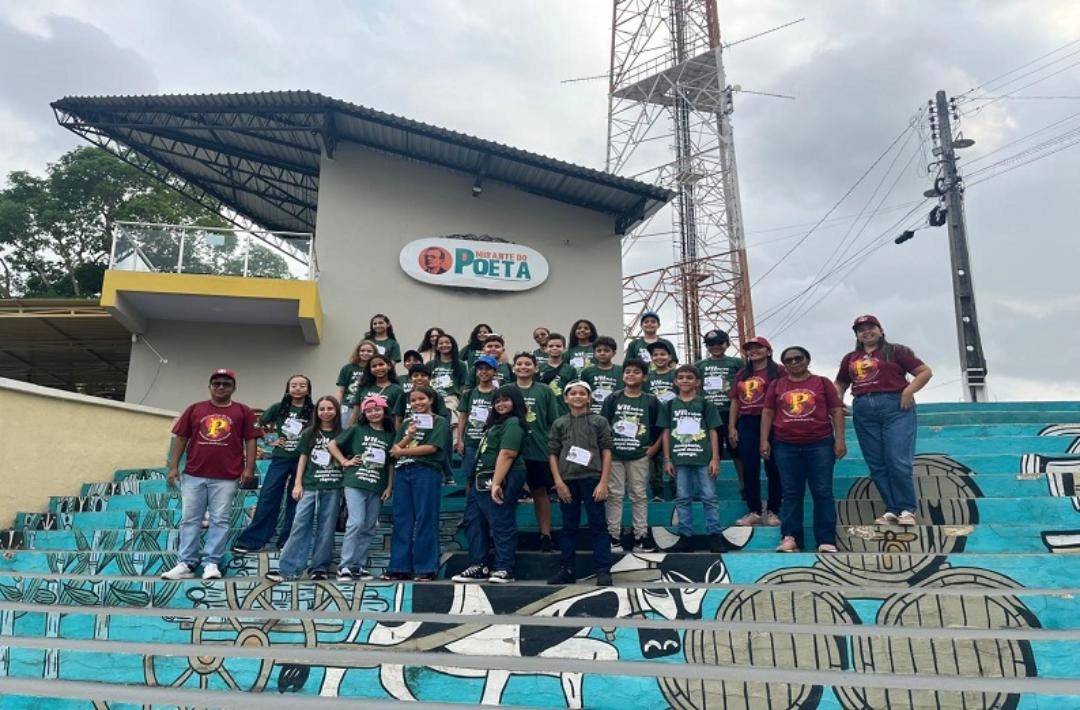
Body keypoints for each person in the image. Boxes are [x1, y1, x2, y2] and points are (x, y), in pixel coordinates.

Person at [835, 314, 932, 526]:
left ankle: (907, 509)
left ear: (880, 330)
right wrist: (837, 402)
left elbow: (924, 372)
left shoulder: (896, 351)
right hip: (863, 408)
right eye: (861, 329)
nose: (867, 332)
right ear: (857, 335)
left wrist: (908, 391)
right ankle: (891, 509)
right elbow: (841, 383)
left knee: (897, 458)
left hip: (895, 406)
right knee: (877, 462)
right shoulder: (850, 358)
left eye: (871, 327)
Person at [162, 369, 258, 581]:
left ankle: (211, 563)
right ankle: (185, 563)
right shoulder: (195, 409)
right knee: (189, 519)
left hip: (227, 476)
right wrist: (173, 466)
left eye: (226, 383)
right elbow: (181, 438)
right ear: (209, 386)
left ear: (234, 388)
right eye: (216, 383)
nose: (221, 387)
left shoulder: (243, 411)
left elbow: (251, 440)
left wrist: (249, 468)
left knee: (220, 520)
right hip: (194, 474)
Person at [762, 347, 847, 553]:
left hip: (819, 443)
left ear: (808, 360)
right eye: (788, 360)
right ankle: (790, 537)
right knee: (791, 492)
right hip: (785, 444)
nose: (793, 362)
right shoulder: (777, 384)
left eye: (798, 358)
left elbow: (836, 411)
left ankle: (826, 540)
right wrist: (764, 440)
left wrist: (840, 440)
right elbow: (768, 412)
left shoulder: (822, 382)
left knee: (822, 491)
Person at [452, 385, 529, 583]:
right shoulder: (494, 424)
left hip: (503, 476)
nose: (500, 404)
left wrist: (496, 483)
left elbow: (508, 453)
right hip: (481, 478)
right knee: (474, 520)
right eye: (497, 401)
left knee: (501, 521)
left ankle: (504, 568)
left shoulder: (513, 423)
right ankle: (479, 565)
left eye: (505, 400)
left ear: (516, 402)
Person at [232, 374, 313, 556]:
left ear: (308, 389)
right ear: (288, 388)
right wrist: (269, 440)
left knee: (296, 500)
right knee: (268, 496)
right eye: (294, 385)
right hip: (280, 459)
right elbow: (256, 424)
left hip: (304, 460)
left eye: (302, 385)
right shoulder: (279, 408)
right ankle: (253, 540)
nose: (298, 388)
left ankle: (288, 541)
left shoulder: (314, 410)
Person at [265, 395, 344, 582]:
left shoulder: (344, 433)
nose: (326, 412)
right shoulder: (310, 432)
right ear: (317, 412)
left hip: (333, 486)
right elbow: (303, 458)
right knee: (300, 524)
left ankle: (319, 568)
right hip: (310, 485)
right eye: (322, 409)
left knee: (326, 528)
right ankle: (288, 570)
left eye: (330, 408)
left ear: (337, 411)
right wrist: (298, 483)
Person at [547, 381, 614, 586]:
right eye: (573, 393)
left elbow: (607, 451)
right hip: (568, 481)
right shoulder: (559, 423)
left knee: (598, 525)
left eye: (582, 393)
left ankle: (603, 570)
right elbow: (552, 453)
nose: (577, 396)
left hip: (592, 479)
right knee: (569, 527)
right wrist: (558, 482)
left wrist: (603, 482)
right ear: (566, 398)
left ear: (589, 397)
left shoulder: (599, 421)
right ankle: (567, 569)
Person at [382, 385, 451, 581]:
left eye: (422, 399)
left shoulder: (439, 422)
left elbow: (432, 448)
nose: (417, 403)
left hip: (426, 471)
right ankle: (398, 567)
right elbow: (394, 450)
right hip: (403, 471)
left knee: (425, 518)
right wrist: (408, 437)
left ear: (430, 400)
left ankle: (425, 567)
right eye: (413, 400)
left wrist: (402, 451)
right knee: (402, 519)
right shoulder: (406, 423)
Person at [330, 393, 396, 581]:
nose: (374, 413)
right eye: (369, 410)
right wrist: (344, 461)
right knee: (356, 522)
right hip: (355, 482)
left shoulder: (390, 435)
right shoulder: (357, 429)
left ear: (385, 411)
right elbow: (332, 444)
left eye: (377, 409)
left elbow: (390, 463)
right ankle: (344, 566)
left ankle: (358, 566)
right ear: (364, 413)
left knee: (369, 526)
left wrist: (389, 485)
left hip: (377, 485)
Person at [660, 365, 724, 553]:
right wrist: (667, 458)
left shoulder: (705, 404)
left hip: (703, 458)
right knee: (682, 498)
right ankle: (685, 537)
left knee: (709, 497)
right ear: (675, 381)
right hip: (679, 459)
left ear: (697, 382)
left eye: (689, 377)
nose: (685, 380)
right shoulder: (670, 405)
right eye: (681, 377)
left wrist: (715, 457)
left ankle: (715, 536)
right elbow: (665, 432)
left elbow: (713, 431)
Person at [601, 359, 661, 553]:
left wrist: (654, 448)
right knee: (615, 495)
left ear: (644, 376)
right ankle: (613, 536)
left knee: (638, 494)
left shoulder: (651, 400)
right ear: (622, 375)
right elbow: (603, 425)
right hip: (615, 454)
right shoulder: (613, 398)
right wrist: (606, 451)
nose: (631, 375)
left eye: (636, 372)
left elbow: (661, 428)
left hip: (639, 454)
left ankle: (641, 535)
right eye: (627, 371)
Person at [729, 336, 783, 527]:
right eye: (750, 349)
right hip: (747, 422)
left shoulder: (779, 371)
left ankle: (773, 509)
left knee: (773, 466)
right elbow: (735, 400)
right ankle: (754, 510)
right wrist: (732, 426)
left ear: (768, 350)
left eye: (758, 348)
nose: (754, 351)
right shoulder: (743, 374)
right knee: (749, 467)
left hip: (773, 421)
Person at [512, 351, 561, 552]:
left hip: (538, 450)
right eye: (519, 364)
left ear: (536, 368)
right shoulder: (507, 390)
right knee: (508, 495)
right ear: (514, 368)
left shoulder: (545, 391)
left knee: (540, 492)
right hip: (513, 452)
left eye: (527, 364)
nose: (523, 367)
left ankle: (545, 534)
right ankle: (506, 536)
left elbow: (553, 422)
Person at [695, 330, 745, 490]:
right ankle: (706, 487)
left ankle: (744, 486)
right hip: (708, 414)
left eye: (720, 343)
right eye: (711, 344)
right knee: (707, 452)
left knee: (736, 450)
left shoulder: (737, 363)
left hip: (730, 413)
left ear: (727, 344)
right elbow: (696, 388)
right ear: (707, 347)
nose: (716, 347)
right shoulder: (700, 365)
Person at [456, 356, 500, 486]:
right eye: (480, 369)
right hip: (471, 442)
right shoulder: (469, 394)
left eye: (488, 369)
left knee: (490, 477)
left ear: (495, 372)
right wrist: (459, 440)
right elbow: (463, 417)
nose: (484, 372)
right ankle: (471, 505)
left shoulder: (499, 393)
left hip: (492, 443)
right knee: (470, 477)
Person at [644, 340, 678, 501]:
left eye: (663, 354)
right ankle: (657, 491)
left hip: (674, 420)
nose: (659, 357)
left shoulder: (675, 375)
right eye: (655, 355)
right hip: (653, 421)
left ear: (670, 356)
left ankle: (676, 489)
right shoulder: (647, 377)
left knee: (672, 455)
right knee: (655, 458)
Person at [352, 354, 405, 427]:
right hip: (363, 428)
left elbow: (399, 417)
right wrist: (350, 428)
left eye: (381, 364)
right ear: (370, 370)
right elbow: (356, 410)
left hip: (387, 430)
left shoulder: (397, 390)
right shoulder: (363, 387)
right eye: (374, 366)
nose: (378, 368)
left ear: (389, 366)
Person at [335, 340, 378, 422]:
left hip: (368, 407)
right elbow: (341, 390)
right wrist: (336, 405)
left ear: (374, 353)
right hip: (347, 405)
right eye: (362, 351)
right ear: (357, 352)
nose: (365, 353)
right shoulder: (347, 368)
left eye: (369, 351)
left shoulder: (376, 370)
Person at [580, 336, 623, 415]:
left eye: (606, 351)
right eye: (599, 351)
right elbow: (583, 394)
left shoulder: (622, 370)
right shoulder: (587, 372)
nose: (602, 353)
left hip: (615, 412)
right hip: (593, 414)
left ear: (613, 353)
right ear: (594, 353)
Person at [430, 333, 467, 418]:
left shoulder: (460, 364)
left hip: (451, 398)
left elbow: (463, 385)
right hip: (433, 398)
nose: (444, 345)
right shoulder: (430, 364)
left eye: (447, 342)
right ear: (436, 347)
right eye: (441, 343)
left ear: (452, 345)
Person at [538, 333, 577, 412]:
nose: (554, 348)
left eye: (558, 346)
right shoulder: (538, 368)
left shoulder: (570, 369)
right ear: (545, 349)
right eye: (551, 346)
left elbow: (574, 391)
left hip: (564, 410)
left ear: (564, 349)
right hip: (543, 409)